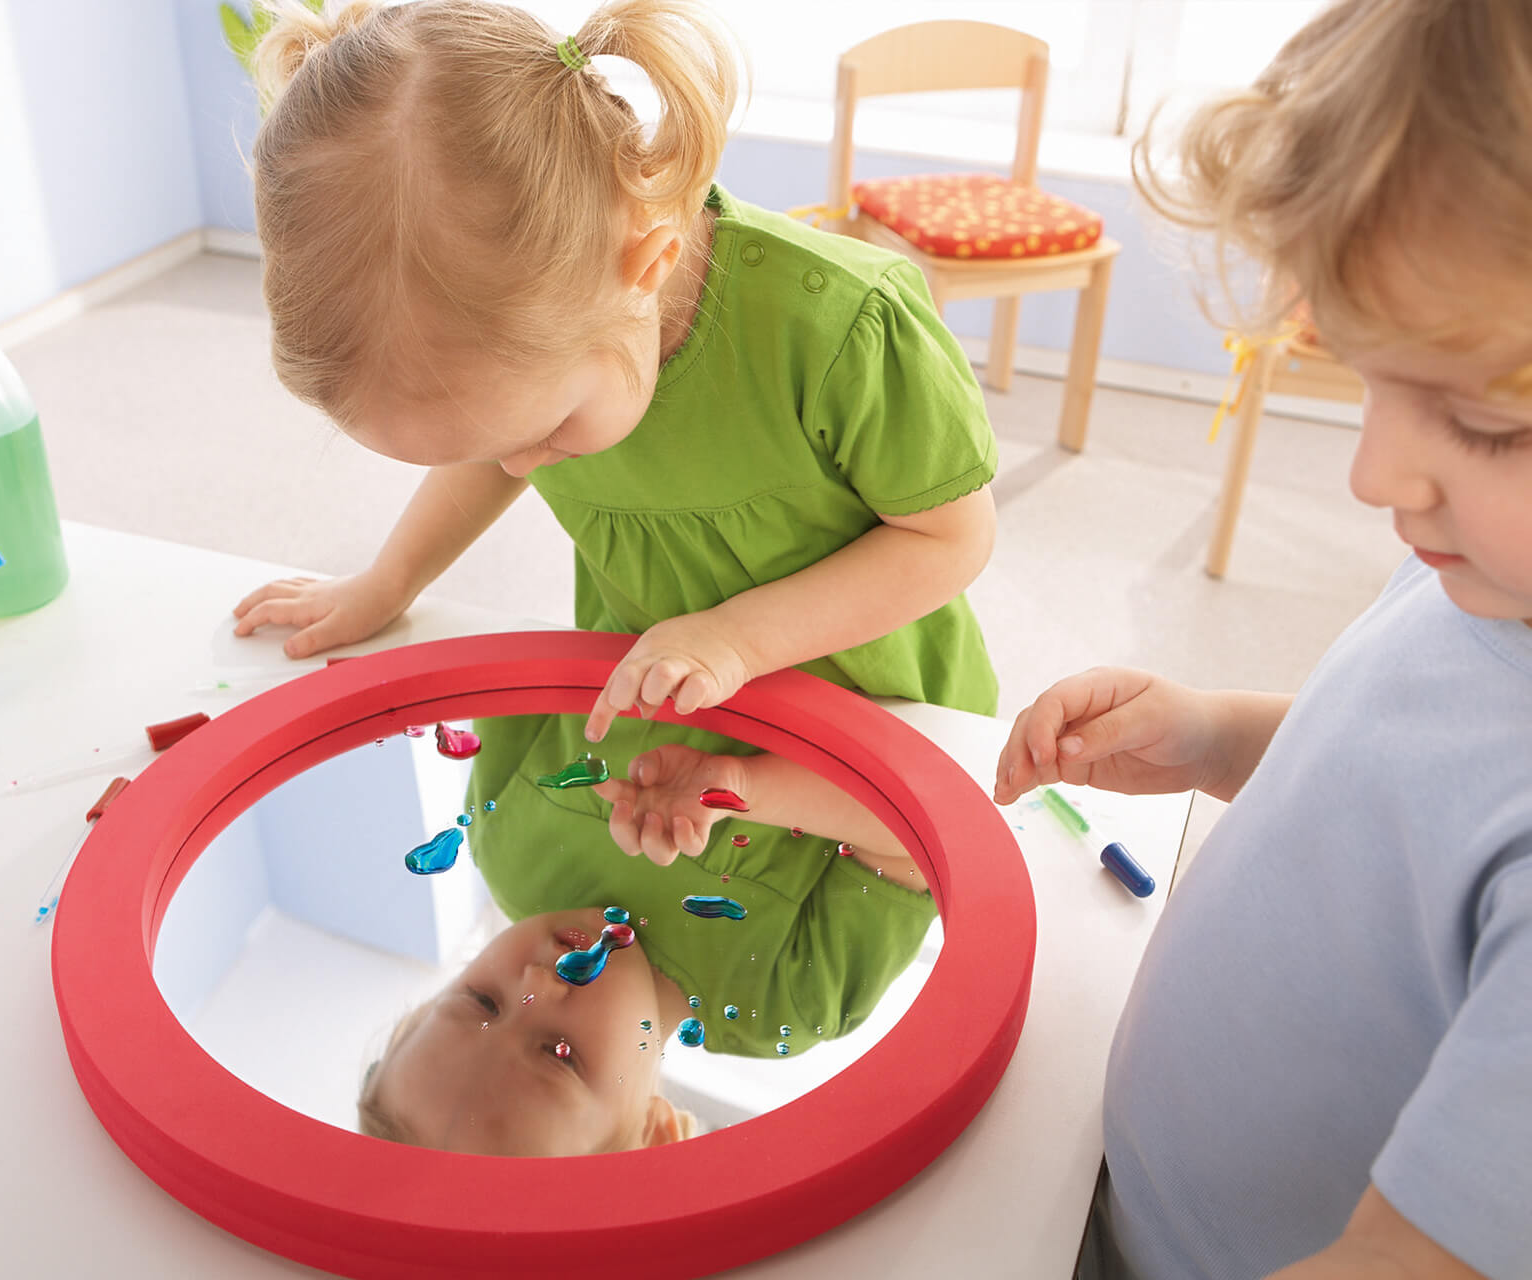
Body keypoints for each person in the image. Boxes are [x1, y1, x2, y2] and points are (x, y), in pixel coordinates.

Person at [994, 2, 1532, 1275]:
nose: (1372, 473)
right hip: (1115, 1181)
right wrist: (1212, 733)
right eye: (1364, 380)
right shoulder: (1489, 572)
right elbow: (1397, 777)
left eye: (1486, 425)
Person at [229, 0, 1001, 735]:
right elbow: (500, 446)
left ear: (651, 264)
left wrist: (734, 640)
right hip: (664, 684)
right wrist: (388, 581)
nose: (517, 464)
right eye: (493, 443)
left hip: (866, 704)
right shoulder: (546, 371)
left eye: (549, 431)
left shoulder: (848, 328)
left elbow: (949, 540)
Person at [361, 740, 934, 1154]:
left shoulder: (508, 842)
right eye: (557, 1052)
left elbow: (536, 661)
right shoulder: (786, 1001)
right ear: (658, 1133)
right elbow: (923, 825)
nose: (537, 982)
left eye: (482, 1001)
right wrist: (741, 789)